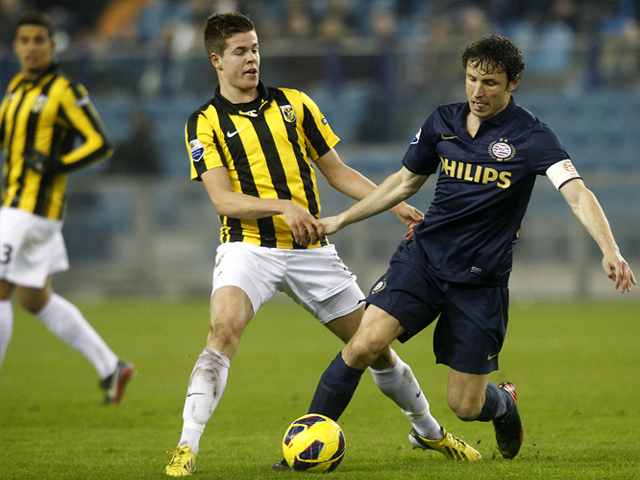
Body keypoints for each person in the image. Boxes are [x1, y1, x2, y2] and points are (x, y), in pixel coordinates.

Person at [163, 12, 481, 477]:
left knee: (374, 346)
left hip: (311, 251)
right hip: (249, 247)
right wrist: (282, 207)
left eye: (254, 48)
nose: (251, 58)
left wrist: (391, 205)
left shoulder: (295, 105)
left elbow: (337, 172)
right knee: (223, 330)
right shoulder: (204, 122)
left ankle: (429, 432)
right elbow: (222, 199)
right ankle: (186, 447)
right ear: (216, 60)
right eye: (239, 52)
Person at [304, 34, 636, 461]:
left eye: (491, 83)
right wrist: (341, 219)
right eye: (472, 79)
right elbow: (405, 182)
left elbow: (577, 193)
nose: (478, 91)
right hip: (423, 259)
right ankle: (307, 443)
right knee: (365, 344)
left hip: (480, 282)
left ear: (513, 83)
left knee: (465, 405)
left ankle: (504, 403)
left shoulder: (532, 136)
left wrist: (609, 249)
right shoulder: (442, 121)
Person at [0, 12, 135, 404]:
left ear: (51, 45)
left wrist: (58, 164)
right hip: (18, 207)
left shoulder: (63, 90)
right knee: (34, 298)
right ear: (15, 46)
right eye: (24, 40)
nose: (30, 47)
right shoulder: (14, 90)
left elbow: (98, 141)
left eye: (38, 40)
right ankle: (111, 366)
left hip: (31, 208)